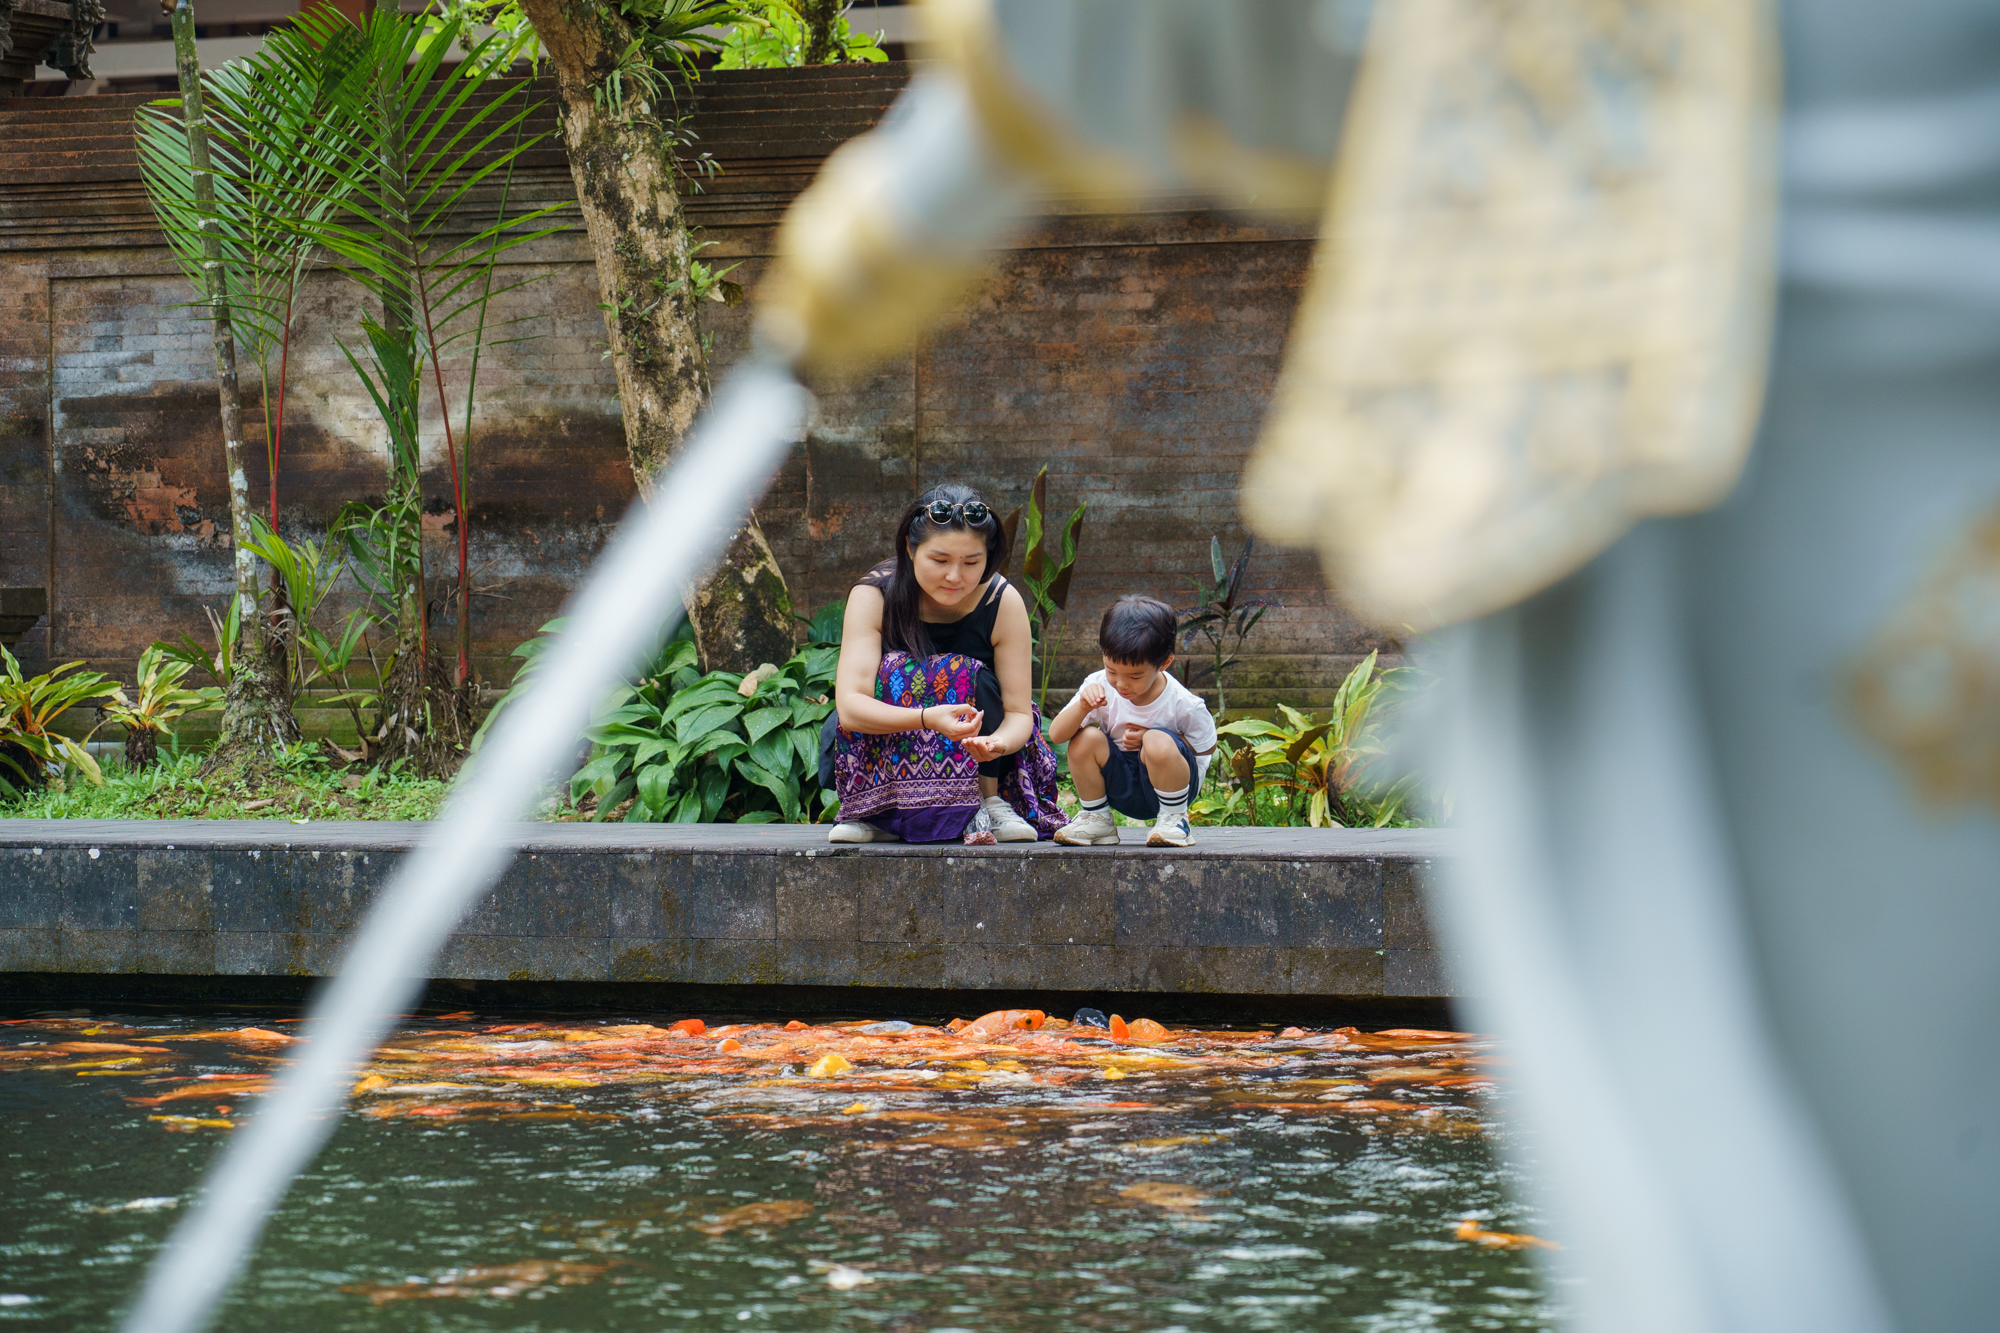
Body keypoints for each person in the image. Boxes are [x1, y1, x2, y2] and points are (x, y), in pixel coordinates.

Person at [822, 483, 1069, 844]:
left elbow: (1018, 713)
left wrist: (996, 744)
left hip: (981, 763)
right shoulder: (873, 595)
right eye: (939, 561)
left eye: (972, 563)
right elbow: (851, 708)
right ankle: (876, 809)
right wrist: (928, 718)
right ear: (909, 547)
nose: (955, 577)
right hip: (881, 754)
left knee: (975, 678)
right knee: (902, 670)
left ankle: (989, 802)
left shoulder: (1003, 602)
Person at [1049, 595, 1216, 847]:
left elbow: (1206, 746)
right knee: (1084, 738)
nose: (1121, 684)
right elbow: (1057, 735)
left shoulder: (1182, 702)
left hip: (1173, 788)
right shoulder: (1098, 686)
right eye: (1111, 670)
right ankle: (1096, 818)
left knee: (1156, 739)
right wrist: (1083, 707)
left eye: (1135, 676)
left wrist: (1151, 738)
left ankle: (1175, 821)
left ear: (1165, 663)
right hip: (1122, 784)